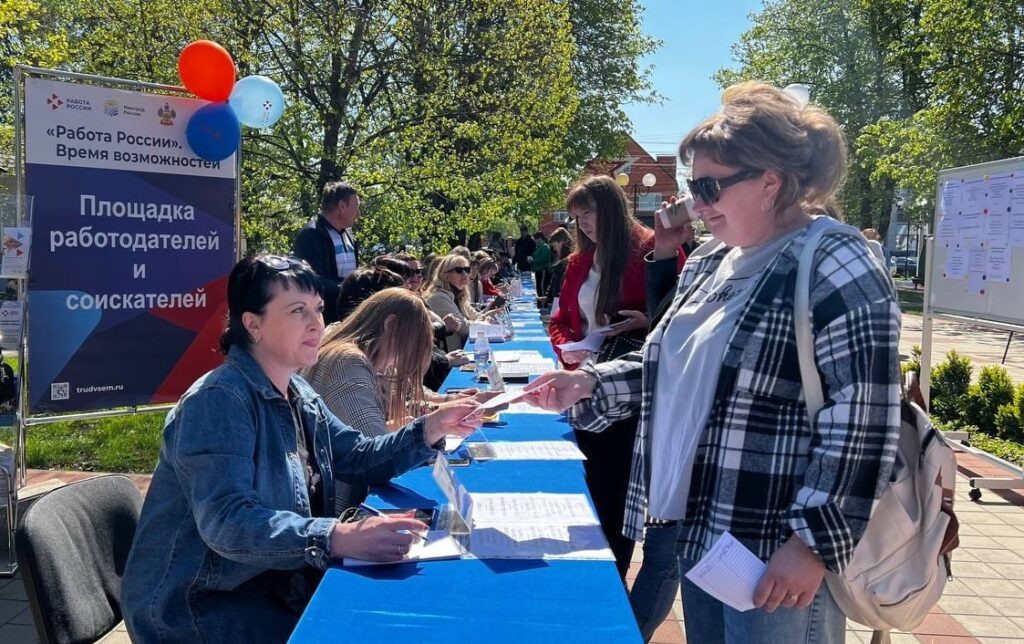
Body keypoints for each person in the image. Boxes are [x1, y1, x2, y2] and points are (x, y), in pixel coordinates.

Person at [524, 82, 901, 644]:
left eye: (708, 186)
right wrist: (587, 384)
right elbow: (668, 370)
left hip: (775, 546)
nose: (695, 204)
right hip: (703, 532)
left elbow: (864, 418)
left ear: (770, 181)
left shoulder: (834, 259)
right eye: (692, 187)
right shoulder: (710, 261)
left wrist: (812, 544)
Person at [122, 255, 483, 642]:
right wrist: (336, 536)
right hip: (204, 609)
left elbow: (356, 456)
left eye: (318, 309)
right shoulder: (218, 402)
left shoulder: (297, 389)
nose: (316, 324)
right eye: (298, 311)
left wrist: (429, 429)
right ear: (253, 324)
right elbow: (228, 523)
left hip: (274, 587)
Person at [546, 174, 683, 580]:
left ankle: (612, 576)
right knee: (589, 483)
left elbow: (681, 318)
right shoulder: (578, 262)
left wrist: (645, 320)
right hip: (584, 382)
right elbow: (560, 320)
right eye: (576, 217)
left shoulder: (654, 248)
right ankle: (591, 571)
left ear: (610, 208)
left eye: (588, 213)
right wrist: (568, 348)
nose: (584, 224)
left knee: (616, 493)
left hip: (629, 392)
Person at [302, 287, 436, 510]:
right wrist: (430, 431)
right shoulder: (349, 362)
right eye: (409, 348)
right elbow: (376, 460)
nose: (400, 360)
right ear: (391, 325)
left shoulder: (342, 352)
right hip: (344, 509)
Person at [293, 181, 361, 324]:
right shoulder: (311, 235)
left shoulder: (349, 234)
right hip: (323, 318)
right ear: (342, 206)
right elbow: (311, 279)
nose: (358, 214)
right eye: (356, 207)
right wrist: (348, 289)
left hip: (348, 315)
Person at [424, 254, 496, 351]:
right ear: (446, 276)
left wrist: (488, 315)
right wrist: (486, 324)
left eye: (467, 270)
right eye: (459, 270)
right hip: (449, 355)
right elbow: (464, 328)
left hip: (462, 350)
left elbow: (475, 316)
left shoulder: (458, 295)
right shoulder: (438, 298)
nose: (465, 274)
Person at [541, 226, 574, 312]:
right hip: (556, 302)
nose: (554, 249)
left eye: (555, 245)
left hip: (562, 305)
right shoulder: (560, 259)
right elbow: (554, 281)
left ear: (562, 242)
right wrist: (548, 297)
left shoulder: (569, 261)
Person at [531, 231, 552, 295]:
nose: (534, 241)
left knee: (542, 288)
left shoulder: (545, 246)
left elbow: (544, 258)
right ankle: (540, 299)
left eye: (535, 239)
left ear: (539, 238)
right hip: (538, 271)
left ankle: (543, 300)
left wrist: (533, 261)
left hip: (543, 271)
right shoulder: (539, 247)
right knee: (539, 288)